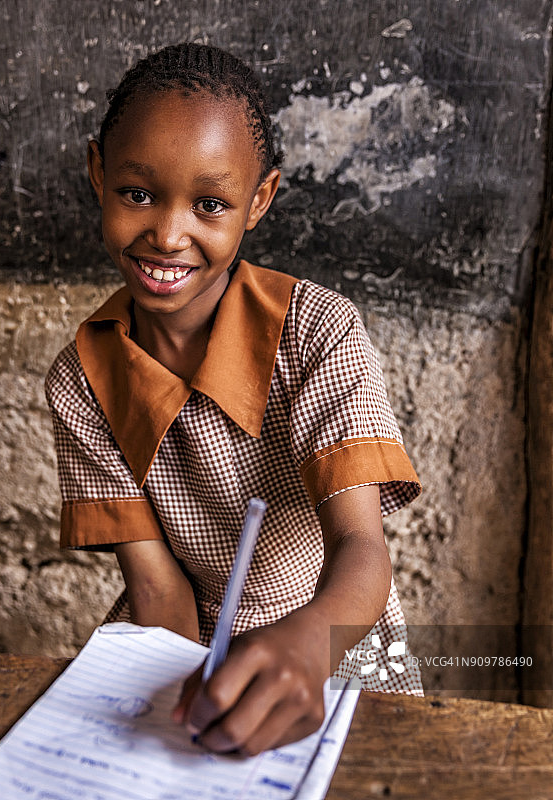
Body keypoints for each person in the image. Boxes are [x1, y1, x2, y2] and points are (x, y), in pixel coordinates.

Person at [45, 41, 423, 756]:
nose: (167, 233)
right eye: (137, 193)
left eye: (210, 204)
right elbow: (158, 593)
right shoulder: (84, 378)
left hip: (333, 639)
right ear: (98, 173)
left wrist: (312, 644)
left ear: (259, 201)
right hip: (181, 649)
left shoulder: (316, 332)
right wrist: (185, 715)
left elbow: (360, 546)